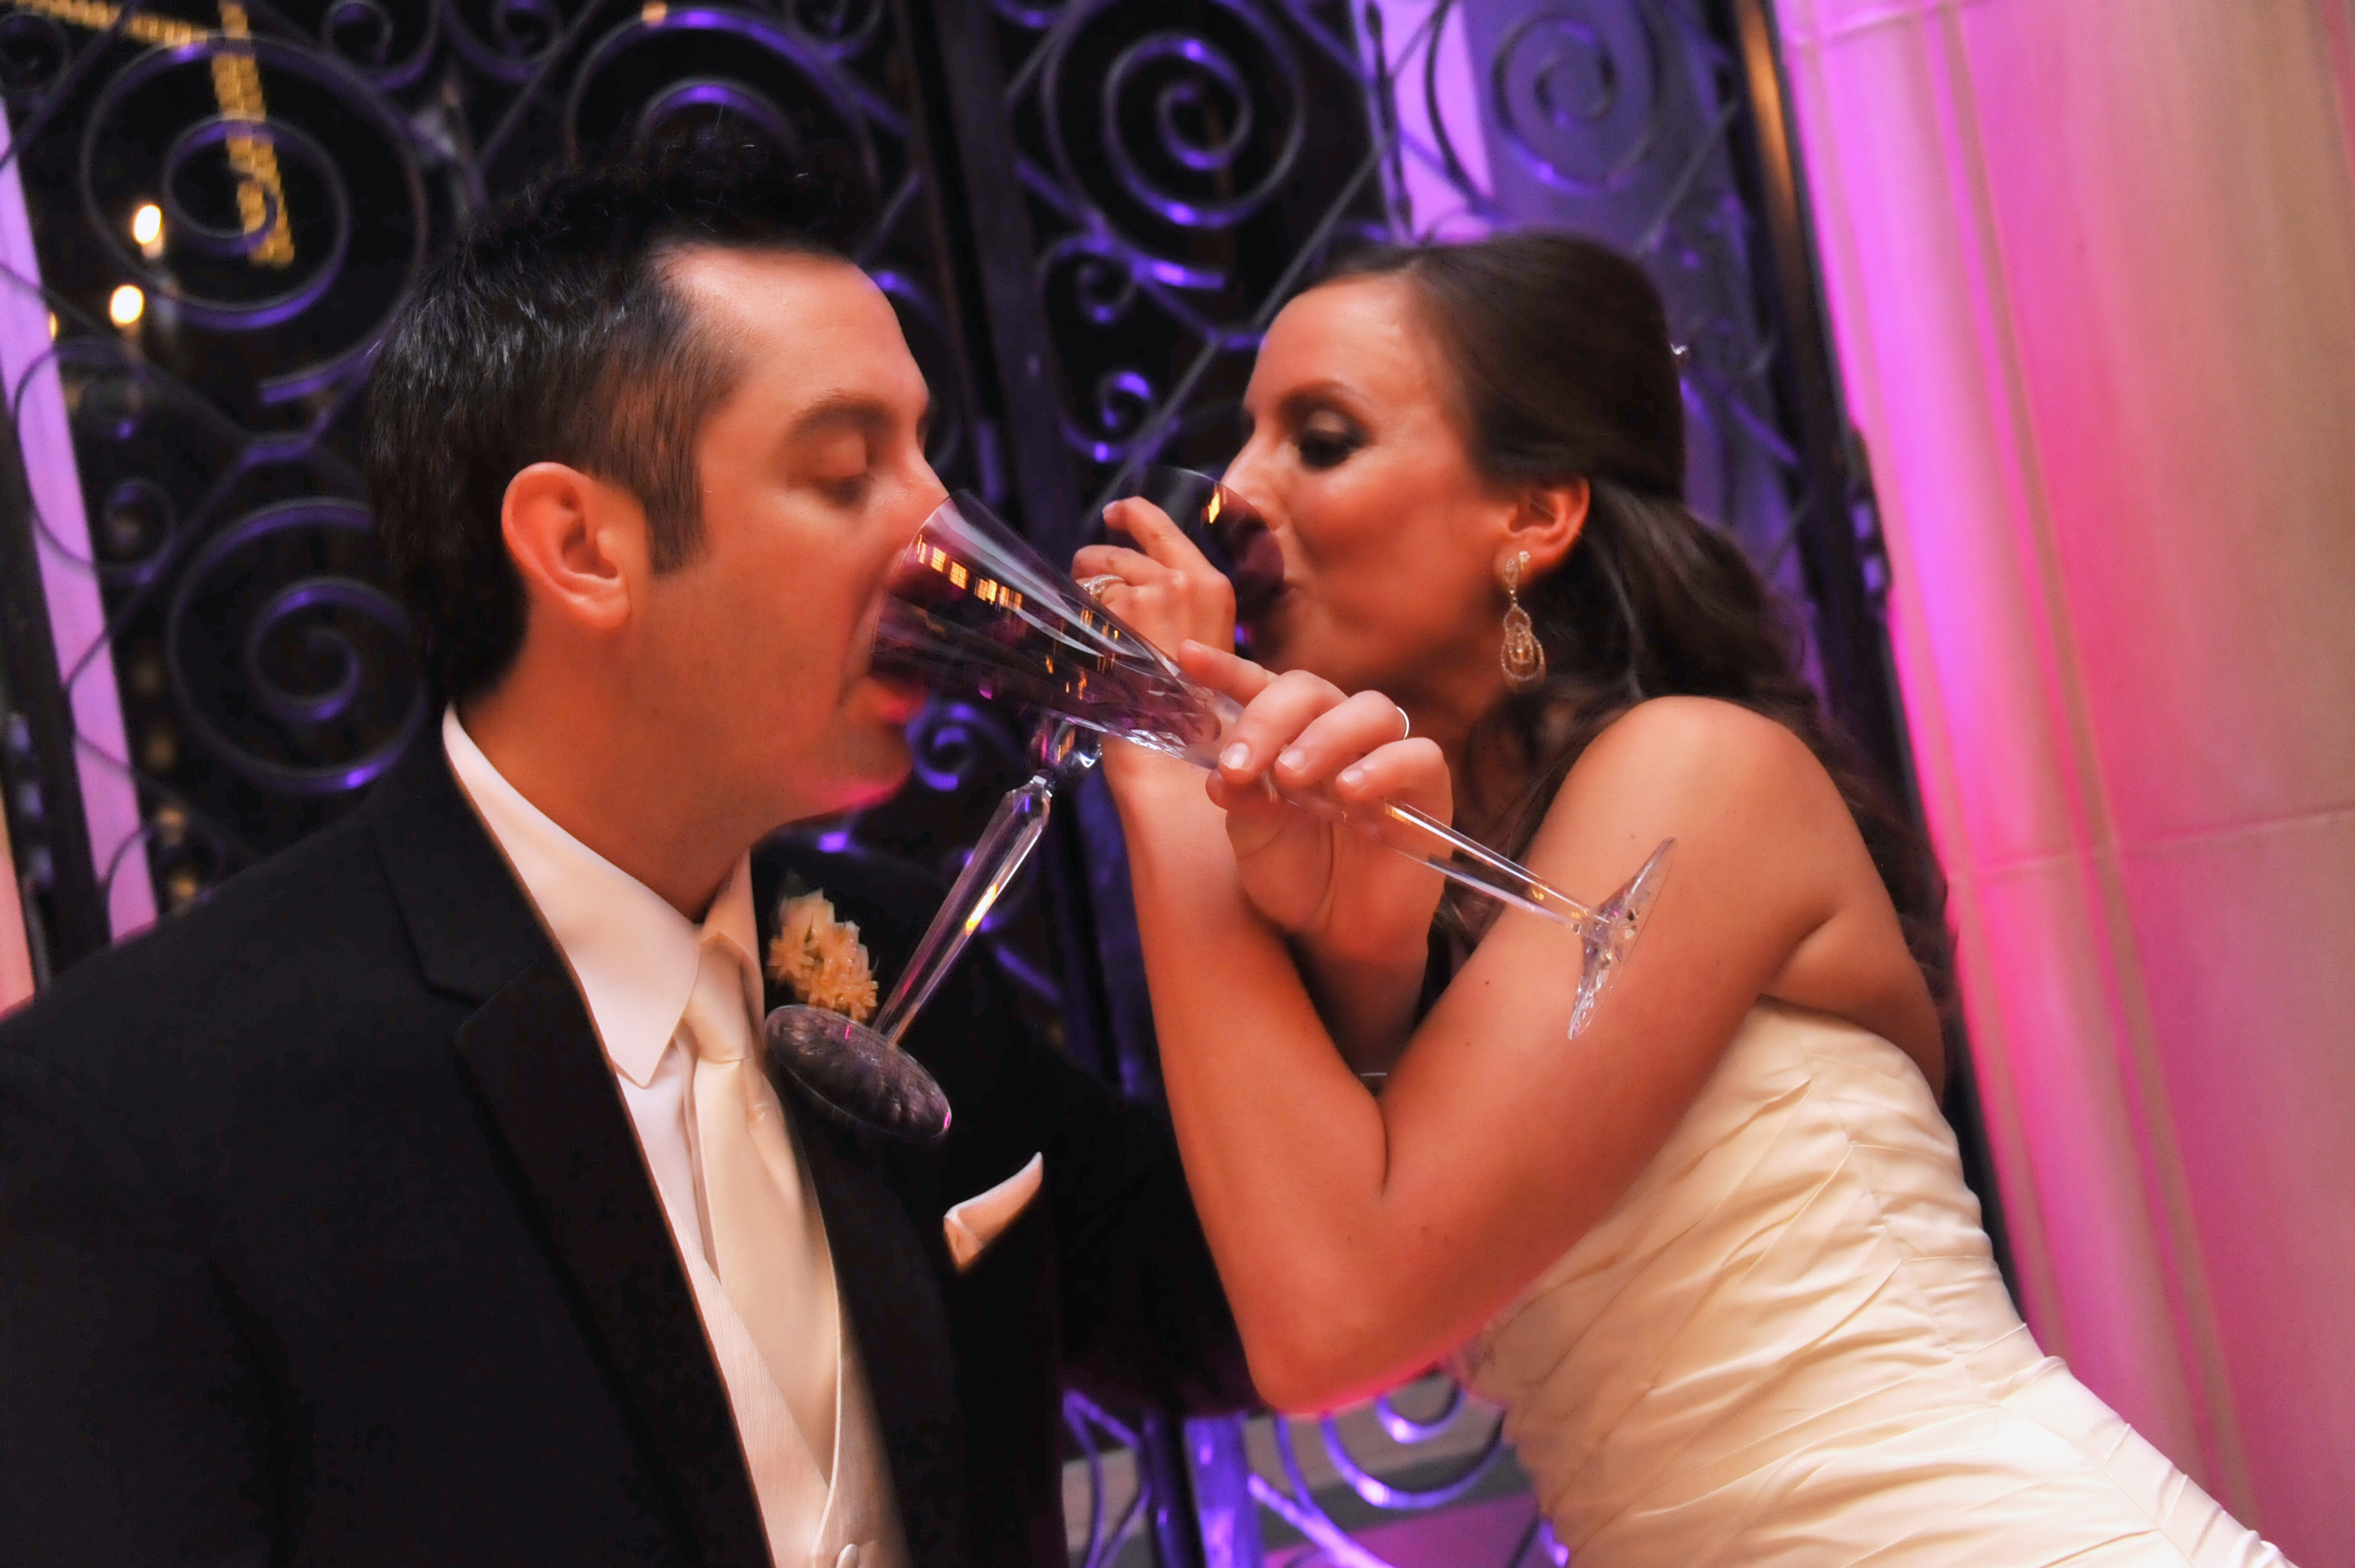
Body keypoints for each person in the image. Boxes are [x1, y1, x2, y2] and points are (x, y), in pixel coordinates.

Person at [0, 135, 1246, 1567]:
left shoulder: (912, 963)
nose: (938, 533)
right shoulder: (137, 1117)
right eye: (846, 471)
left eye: (925, 457)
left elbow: (1240, 1316)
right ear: (581, 544)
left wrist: (1268, 864)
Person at [1077, 232, 2291, 1567]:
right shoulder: (1413, 903)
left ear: (1533, 517)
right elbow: (1310, 1276)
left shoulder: (1699, 777)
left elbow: (1331, 1322)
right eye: (1245, 437)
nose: (1238, 493)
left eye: (1320, 441)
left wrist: (1162, 747)